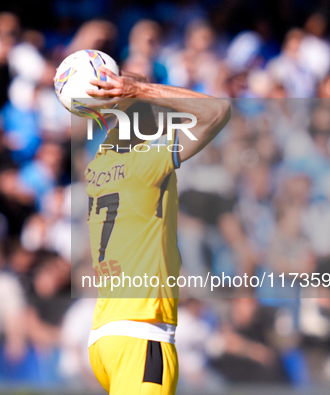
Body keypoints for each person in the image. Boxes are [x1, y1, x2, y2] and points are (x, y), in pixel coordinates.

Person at [83, 67, 231, 394]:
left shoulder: (98, 163)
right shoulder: (146, 163)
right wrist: (141, 89)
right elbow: (218, 111)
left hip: (105, 336)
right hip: (142, 334)